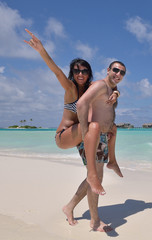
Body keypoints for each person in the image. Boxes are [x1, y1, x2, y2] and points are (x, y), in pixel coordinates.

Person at [24, 29, 123, 228]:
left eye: (84, 71)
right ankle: (95, 217)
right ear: (73, 72)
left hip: (86, 134)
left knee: (99, 168)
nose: (80, 74)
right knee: (94, 160)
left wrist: (116, 94)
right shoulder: (70, 88)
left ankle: (70, 207)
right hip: (65, 136)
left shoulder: (92, 88)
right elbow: (56, 71)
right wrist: (41, 50)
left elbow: (109, 86)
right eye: (77, 70)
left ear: (89, 73)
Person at [72, 60, 126, 231]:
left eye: (122, 73)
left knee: (94, 178)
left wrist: (116, 94)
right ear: (108, 70)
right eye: (116, 70)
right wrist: (86, 132)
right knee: (96, 178)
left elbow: (112, 93)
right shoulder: (101, 85)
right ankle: (95, 221)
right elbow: (81, 104)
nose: (118, 74)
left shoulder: (111, 89)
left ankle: (68, 207)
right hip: (92, 137)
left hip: (102, 136)